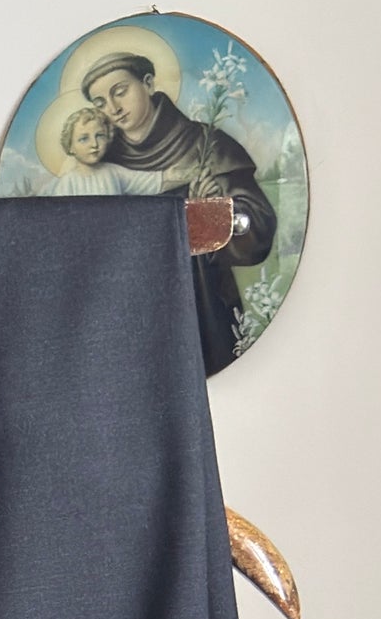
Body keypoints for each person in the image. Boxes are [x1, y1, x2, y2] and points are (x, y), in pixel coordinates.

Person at [83, 51, 276, 376]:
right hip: (130, 308)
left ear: (148, 83)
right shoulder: (104, 162)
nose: (113, 108)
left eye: (120, 91)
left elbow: (257, 227)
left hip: (201, 304)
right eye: (101, 102)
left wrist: (208, 214)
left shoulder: (205, 145)